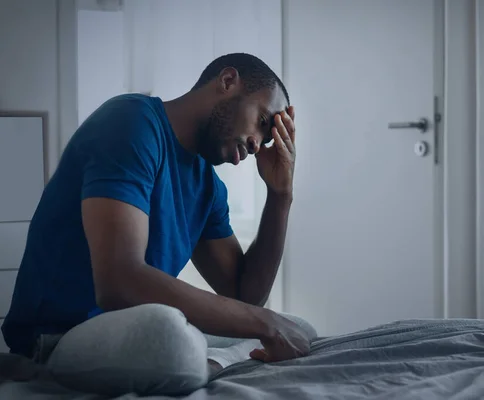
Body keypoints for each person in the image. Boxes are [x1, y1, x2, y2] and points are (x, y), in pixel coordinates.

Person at [1, 53, 316, 395]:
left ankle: (207, 361)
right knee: (171, 337)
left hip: (131, 331)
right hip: (59, 337)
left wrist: (280, 194)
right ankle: (209, 360)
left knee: (300, 328)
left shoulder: (207, 187)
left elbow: (246, 297)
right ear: (227, 82)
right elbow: (119, 282)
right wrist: (264, 325)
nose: (257, 144)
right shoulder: (130, 123)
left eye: (267, 139)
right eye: (262, 120)